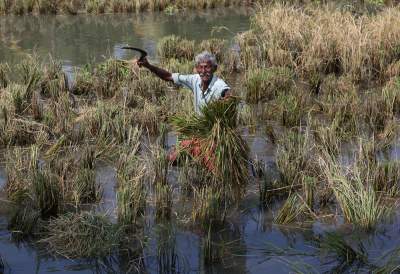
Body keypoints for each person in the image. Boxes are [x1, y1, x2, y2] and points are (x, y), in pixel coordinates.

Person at [136, 51, 231, 170]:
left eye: (207, 67)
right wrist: (148, 66)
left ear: (214, 68)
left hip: (214, 136)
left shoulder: (218, 85)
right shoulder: (195, 80)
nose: (203, 71)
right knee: (171, 159)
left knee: (212, 168)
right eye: (200, 67)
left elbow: (227, 94)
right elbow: (168, 76)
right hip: (198, 133)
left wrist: (226, 100)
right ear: (196, 69)